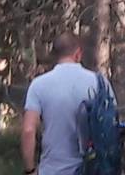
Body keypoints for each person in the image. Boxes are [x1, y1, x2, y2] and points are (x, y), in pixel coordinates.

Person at [19, 33, 106, 175]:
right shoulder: (98, 82)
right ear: (78, 54)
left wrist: (30, 170)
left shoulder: (39, 85)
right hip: (90, 169)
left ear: (55, 55)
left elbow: (28, 130)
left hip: (51, 169)